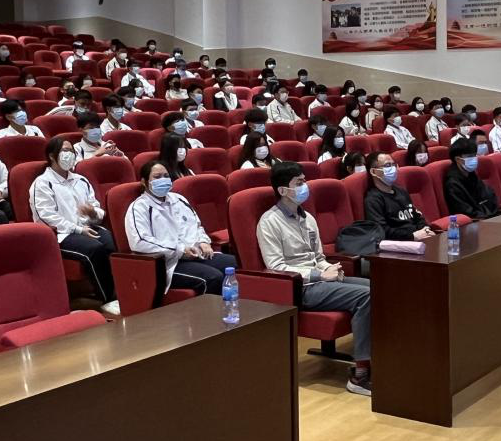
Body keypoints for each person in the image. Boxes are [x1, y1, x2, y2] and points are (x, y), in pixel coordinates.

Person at [257, 162, 373, 395]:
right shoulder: (269, 222)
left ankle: (381, 356)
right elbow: (276, 267)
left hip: (321, 279)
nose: (305, 186)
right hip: (301, 287)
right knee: (367, 295)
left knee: (378, 286)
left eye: (304, 181)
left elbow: (317, 256)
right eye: (299, 183)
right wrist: (320, 274)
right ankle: (360, 375)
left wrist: (331, 267)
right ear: (283, 190)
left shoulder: (307, 217)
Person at [30, 137, 119, 313]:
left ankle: (122, 292)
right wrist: (78, 229)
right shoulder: (42, 183)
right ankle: (108, 298)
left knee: (111, 242)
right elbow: (45, 216)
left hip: (87, 227)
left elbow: (96, 208)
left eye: (71, 151)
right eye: (64, 150)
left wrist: (93, 213)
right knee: (94, 249)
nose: (69, 154)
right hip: (61, 235)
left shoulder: (81, 180)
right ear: (52, 156)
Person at [126, 161, 236, 295]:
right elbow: (139, 241)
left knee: (235, 264)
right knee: (213, 277)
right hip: (170, 263)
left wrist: (203, 241)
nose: (163, 180)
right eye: (157, 177)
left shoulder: (179, 199)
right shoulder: (139, 207)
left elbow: (197, 225)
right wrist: (180, 250)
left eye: (166, 176)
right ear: (144, 182)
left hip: (197, 254)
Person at [364, 152, 436, 242]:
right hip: (400, 243)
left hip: (418, 238)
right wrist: (412, 236)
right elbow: (382, 230)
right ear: (374, 172)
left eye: (393, 165)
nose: (393, 168)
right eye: (387, 165)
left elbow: (417, 215)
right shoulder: (373, 199)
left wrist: (425, 229)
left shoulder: (401, 191)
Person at [442, 136, 500, 220]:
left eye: (474, 155)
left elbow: (489, 196)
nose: (474, 159)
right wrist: (488, 216)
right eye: (470, 156)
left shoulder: (472, 175)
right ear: (458, 159)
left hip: (487, 217)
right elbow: (466, 211)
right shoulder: (452, 183)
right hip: (473, 222)